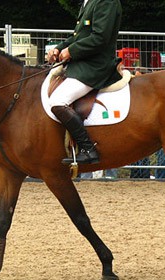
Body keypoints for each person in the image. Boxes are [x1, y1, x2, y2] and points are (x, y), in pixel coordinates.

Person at [47, 0, 122, 164]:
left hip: (95, 66)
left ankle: (89, 149)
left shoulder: (106, 2)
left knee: (57, 101)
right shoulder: (89, 1)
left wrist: (71, 51)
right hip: (82, 64)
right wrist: (59, 48)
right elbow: (78, 36)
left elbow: (100, 37)